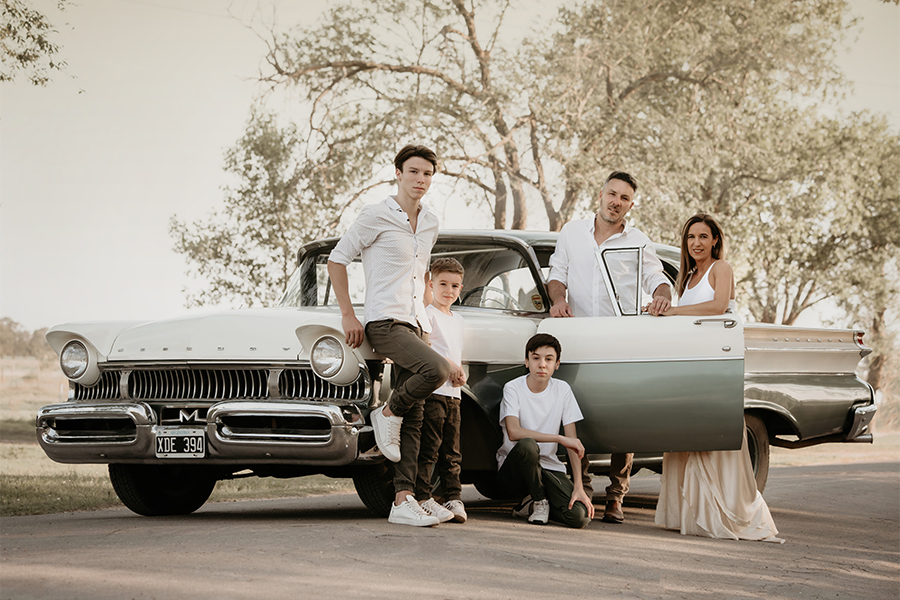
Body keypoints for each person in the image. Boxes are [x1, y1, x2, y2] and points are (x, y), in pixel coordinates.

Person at [327, 144, 451, 527]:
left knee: (418, 416)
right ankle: (386, 411)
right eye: (413, 171)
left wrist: (430, 322)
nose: (420, 179)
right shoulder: (376, 215)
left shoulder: (429, 221)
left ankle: (405, 499)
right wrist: (350, 314)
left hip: (416, 324)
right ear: (397, 173)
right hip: (383, 322)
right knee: (437, 371)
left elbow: (420, 278)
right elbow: (337, 259)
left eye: (427, 173)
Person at [546, 171, 672, 524]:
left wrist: (662, 297)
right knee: (578, 413)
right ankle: (582, 486)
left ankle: (616, 496)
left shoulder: (639, 240)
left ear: (631, 204)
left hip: (622, 337)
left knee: (621, 414)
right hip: (580, 335)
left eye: (625, 197)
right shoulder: (572, 232)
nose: (616, 201)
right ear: (600, 195)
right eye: (612, 194)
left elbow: (657, 279)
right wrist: (558, 301)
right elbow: (558, 273)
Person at [652, 213, 783, 542]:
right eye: (690, 237)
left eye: (702, 237)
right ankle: (692, 514)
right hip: (693, 360)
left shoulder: (720, 268)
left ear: (715, 241)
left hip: (719, 361)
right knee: (689, 434)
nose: (696, 243)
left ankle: (728, 511)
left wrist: (673, 311)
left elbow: (719, 306)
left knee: (715, 431)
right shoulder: (689, 276)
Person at [496, 333, 595, 528]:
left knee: (579, 517)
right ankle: (540, 501)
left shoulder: (563, 390)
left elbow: (573, 442)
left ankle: (531, 505)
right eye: (536, 358)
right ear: (527, 362)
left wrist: (578, 487)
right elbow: (514, 432)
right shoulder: (513, 388)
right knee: (527, 445)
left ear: (557, 364)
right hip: (515, 470)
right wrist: (559, 439)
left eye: (548, 359)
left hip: (548, 468)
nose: (542, 364)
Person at [414, 257, 468, 523]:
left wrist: (460, 373)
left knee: (452, 451)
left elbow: (456, 354)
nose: (449, 290)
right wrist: (449, 366)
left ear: (461, 288)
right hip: (433, 393)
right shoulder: (427, 315)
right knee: (430, 448)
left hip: (454, 395)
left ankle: (453, 497)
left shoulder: (457, 320)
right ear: (431, 284)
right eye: (443, 284)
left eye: (455, 285)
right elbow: (426, 351)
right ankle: (423, 496)